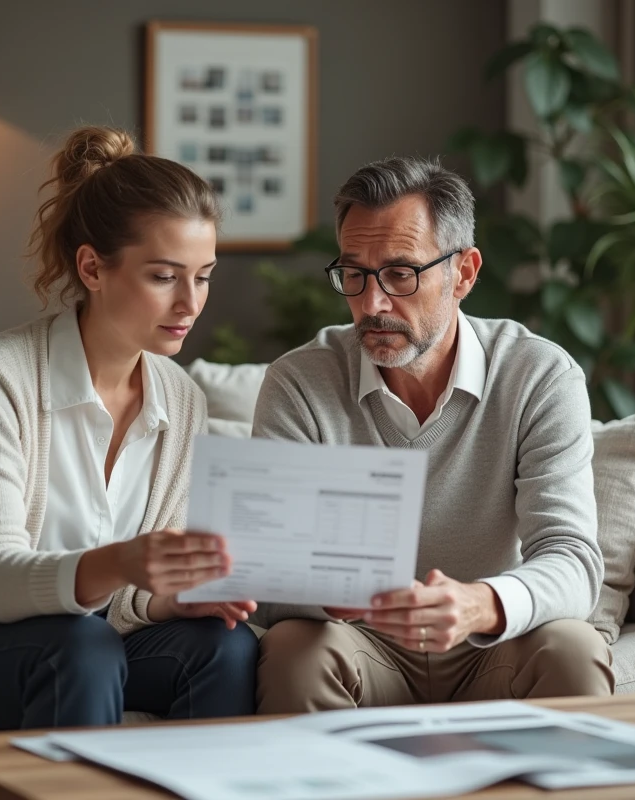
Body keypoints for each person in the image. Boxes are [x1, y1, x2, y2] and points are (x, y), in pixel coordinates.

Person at [0, 125, 258, 728]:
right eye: (165, 276)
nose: (191, 304)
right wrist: (123, 561)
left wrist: (175, 597)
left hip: (102, 634)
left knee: (227, 646)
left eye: (204, 275)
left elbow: (134, 598)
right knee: (79, 650)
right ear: (92, 267)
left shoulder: (182, 400)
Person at [252, 156, 613, 713]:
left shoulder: (539, 375)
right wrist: (330, 591)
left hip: (491, 644)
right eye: (354, 274)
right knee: (295, 650)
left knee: (573, 649)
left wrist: (479, 603)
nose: (371, 304)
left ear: (463, 273)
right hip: (362, 643)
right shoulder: (301, 382)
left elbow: (572, 558)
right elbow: (269, 576)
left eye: (400, 274)